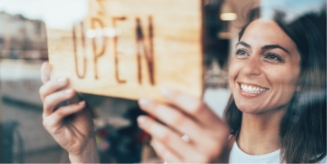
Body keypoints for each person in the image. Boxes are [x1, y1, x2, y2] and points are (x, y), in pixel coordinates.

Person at [39, 6, 326, 163]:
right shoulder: (188, 147)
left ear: (304, 77)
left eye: (272, 56)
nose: (248, 69)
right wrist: (83, 150)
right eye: (242, 51)